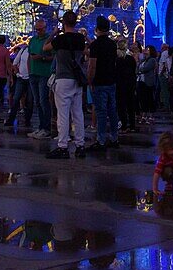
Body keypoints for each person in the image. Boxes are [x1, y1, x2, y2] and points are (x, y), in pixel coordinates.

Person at [47, 11, 87, 159]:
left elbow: (45, 48)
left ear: (63, 23)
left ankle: (63, 146)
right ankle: (80, 145)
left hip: (63, 77)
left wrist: (54, 33)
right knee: (78, 113)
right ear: (76, 23)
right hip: (77, 78)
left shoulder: (60, 39)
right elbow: (86, 51)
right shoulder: (80, 39)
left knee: (63, 114)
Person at [88, 15, 120, 150]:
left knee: (101, 111)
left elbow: (93, 65)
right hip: (111, 80)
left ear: (97, 29)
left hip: (99, 81)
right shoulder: (113, 44)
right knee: (112, 110)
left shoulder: (95, 45)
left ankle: (101, 140)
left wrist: (90, 80)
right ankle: (114, 138)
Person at [26, 19, 54, 140]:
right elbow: (29, 56)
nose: (38, 31)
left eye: (40, 29)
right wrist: (29, 71)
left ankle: (46, 128)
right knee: (37, 101)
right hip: (33, 73)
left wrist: (42, 58)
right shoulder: (33, 40)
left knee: (43, 101)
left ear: (45, 28)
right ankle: (41, 126)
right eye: (36, 29)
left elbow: (53, 57)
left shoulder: (50, 41)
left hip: (44, 74)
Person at [7, 43, 33, 129]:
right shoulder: (22, 51)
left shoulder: (35, 52)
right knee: (16, 98)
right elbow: (14, 63)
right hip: (21, 78)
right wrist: (17, 73)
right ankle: (11, 119)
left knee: (29, 100)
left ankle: (27, 120)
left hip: (30, 78)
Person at [117, 42, 138, 134]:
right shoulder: (131, 59)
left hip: (120, 84)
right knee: (130, 105)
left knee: (121, 105)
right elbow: (134, 70)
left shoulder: (117, 60)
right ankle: (132, 125)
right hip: (130, 83)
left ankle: (124, 125)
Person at [137, 46, 158, 121]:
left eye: (147, 50)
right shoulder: (143, 60)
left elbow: (146, 68)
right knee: (143, 99)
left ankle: (151, 114)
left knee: (149, 98)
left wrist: (140, 70)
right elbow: (138, 67)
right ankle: (144, 113)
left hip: (148, 82)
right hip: (141, 81)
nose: (145, 51)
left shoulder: (152, 60)